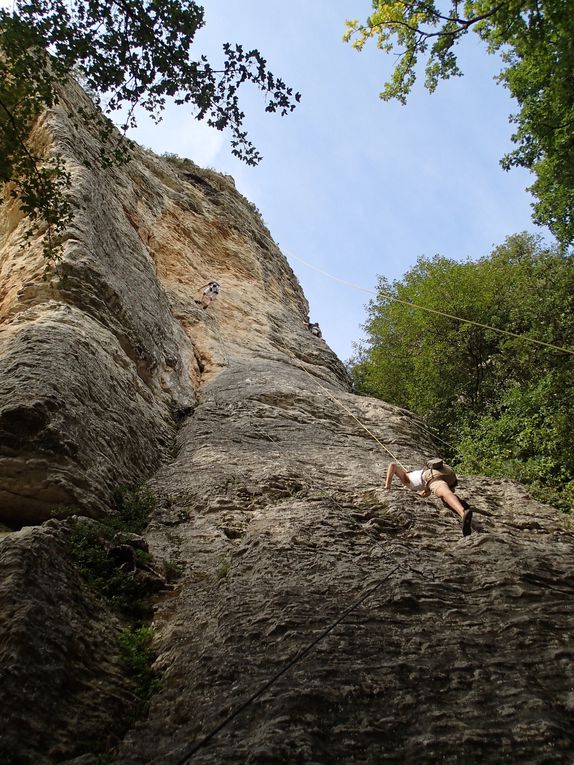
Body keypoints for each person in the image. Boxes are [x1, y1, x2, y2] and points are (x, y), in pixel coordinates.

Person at [385, 458, 473, 536]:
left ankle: (463, 514)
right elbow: (426, 493)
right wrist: (420, 493)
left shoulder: (406, 479)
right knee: (445, 496)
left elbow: (392, 465)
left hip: (433, 475)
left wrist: (387, 486)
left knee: (445, 493)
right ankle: (462, 506)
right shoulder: (419, 480)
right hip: (448, 473)